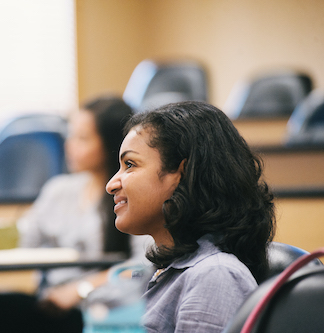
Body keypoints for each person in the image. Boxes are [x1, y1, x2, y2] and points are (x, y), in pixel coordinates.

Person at [0, 95, 151, 333]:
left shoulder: (133, 196)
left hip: (101, 314)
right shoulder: (59, 190)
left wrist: (79, 290)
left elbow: (143, 267)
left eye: (82, 138)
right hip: (52, 307)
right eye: (71, 135)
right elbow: (25, 238)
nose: (69, 145)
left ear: (111, 143)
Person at [105, 101, 276, 333]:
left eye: (130, 165)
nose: (111, 185)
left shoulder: (215, 276)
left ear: (182, 173)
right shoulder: (159, 270)